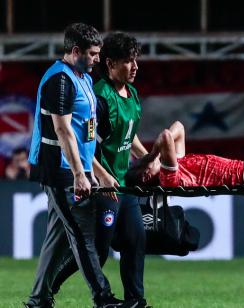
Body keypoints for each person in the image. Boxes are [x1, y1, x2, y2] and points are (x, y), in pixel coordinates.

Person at [48, 32, 153, 308]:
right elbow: (87, 143)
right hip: (104, 184)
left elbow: (129, 137)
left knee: (136, 239)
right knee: (99, 250)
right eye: (128, 61)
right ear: (110, 63)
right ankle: (51, 284)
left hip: (123, 182)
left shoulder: (132, 94)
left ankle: (136, 301)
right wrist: (101, 175)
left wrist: (146, 158)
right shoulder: (99, 98)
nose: (135, 67)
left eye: (136, 61)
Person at [25, 23, 123, 308]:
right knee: (82, 234)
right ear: (75, 51)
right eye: (92, 54)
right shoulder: (60, 81)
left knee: (57, 238)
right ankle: (102, 297)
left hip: (74, 167)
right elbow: (63, 131)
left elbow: (84, 136)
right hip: (59, 169)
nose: (96, 59)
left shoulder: (84, 79)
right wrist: (81, 175)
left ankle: (38, 299)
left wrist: (101, 173)